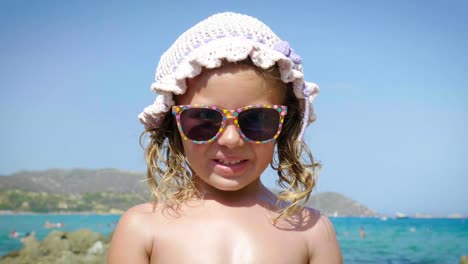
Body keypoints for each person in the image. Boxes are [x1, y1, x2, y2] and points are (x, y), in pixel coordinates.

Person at [108, 12, 342, 263]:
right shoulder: (142, 230)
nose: (231, 139)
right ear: (173, 125)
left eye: (256, 120)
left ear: (284, 126)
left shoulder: (313, 233)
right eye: (204, 119)